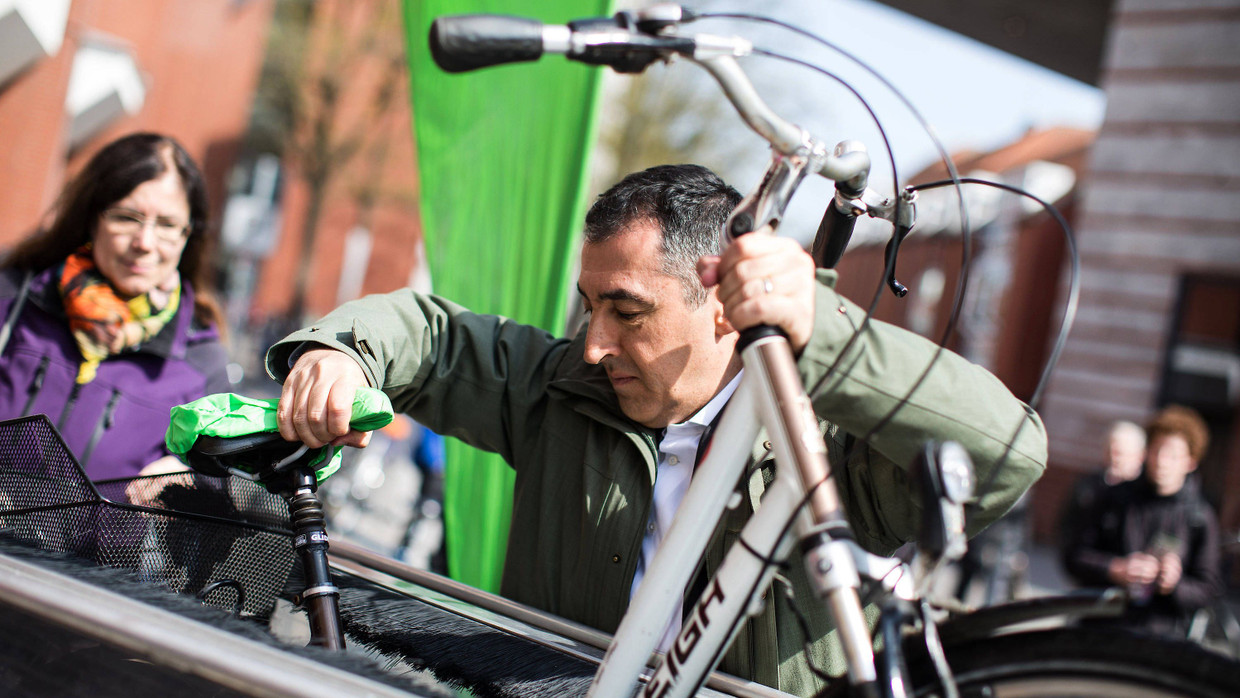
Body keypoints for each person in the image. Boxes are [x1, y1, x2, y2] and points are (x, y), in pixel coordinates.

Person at [266, 164, 1046, 694]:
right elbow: (430, 334)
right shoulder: (562, 383)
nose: (595, 342)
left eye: (627, 311)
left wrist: (823, 330)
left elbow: (1009, 452)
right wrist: (340, 356)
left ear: (722, 301)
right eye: (590, 304)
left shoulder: (828, 446)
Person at [0, 133, 230, 482]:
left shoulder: (202, 362)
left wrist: (191, 487)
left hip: (105, 540)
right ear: (92, 218)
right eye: (126, 218)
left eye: (168, 225)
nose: (145, 243)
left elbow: (219, 498)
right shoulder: (13, 299)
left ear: (188, 236)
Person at [1065, 405, 1222, 636]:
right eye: (1156, 450)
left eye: (1172, 455)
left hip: (1160, 641)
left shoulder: (1199, 517)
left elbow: (1208, 589)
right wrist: (1115, 569)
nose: (1161, 461)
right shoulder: (1114, 498)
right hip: (1100, 630)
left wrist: (1174, 584)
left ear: (1191, 462)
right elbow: (1074, 557)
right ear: (1146, 452)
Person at [1059, 420, 1147, 585]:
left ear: (1140, 456)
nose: (1115, 459)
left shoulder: (1147, 495)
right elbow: (1069, 534)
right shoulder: (1089, 488)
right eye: (1111, 452)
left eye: (1121, 453)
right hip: (1091, 580)